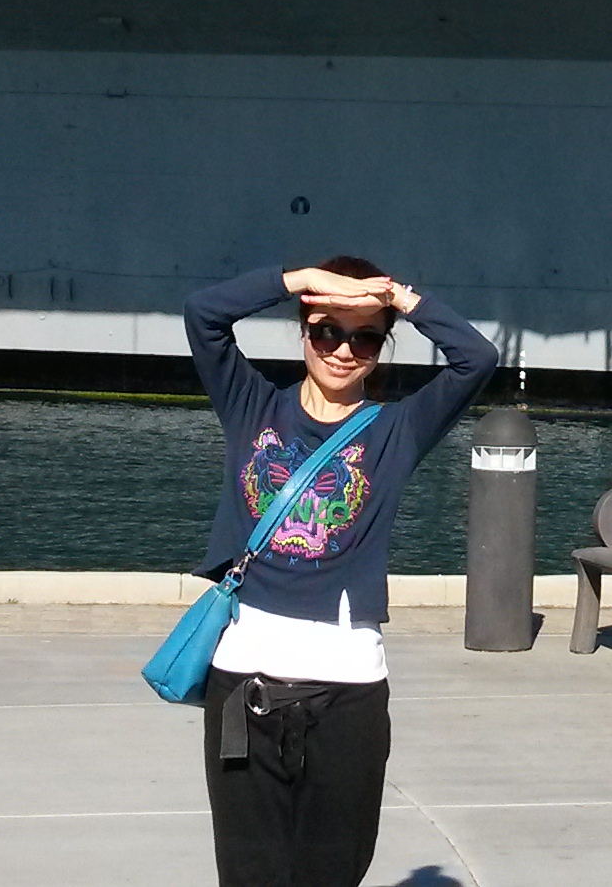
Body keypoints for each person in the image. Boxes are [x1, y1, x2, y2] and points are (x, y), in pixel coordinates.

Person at [186, 257, 497, 887]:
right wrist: (300, 280)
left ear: (381, 346)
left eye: (364, 337)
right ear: (304, 331)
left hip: (349, 689)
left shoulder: (396, 430)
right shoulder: (251, 407)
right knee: (248, 874)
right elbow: (204, 317)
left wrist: (399, 299)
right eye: (327, 331)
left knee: (334, 871)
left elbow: (476, 358)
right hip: (242, 681)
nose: (343, 350)